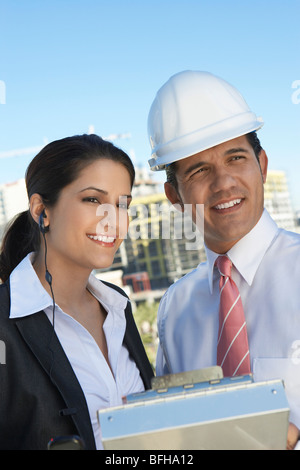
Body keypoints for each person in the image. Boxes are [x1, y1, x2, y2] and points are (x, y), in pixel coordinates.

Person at [147, 71, 300, 450]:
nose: (224, 182)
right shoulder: (174, 310)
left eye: (236, 158)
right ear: (174, 196)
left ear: (262, 165)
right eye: (199, 170)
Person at [0, 134, 154, 450]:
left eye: (122, 204)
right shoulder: (5, 322)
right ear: (42, 210)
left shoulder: (117, 305)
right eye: (93, 200)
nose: (112, 219)